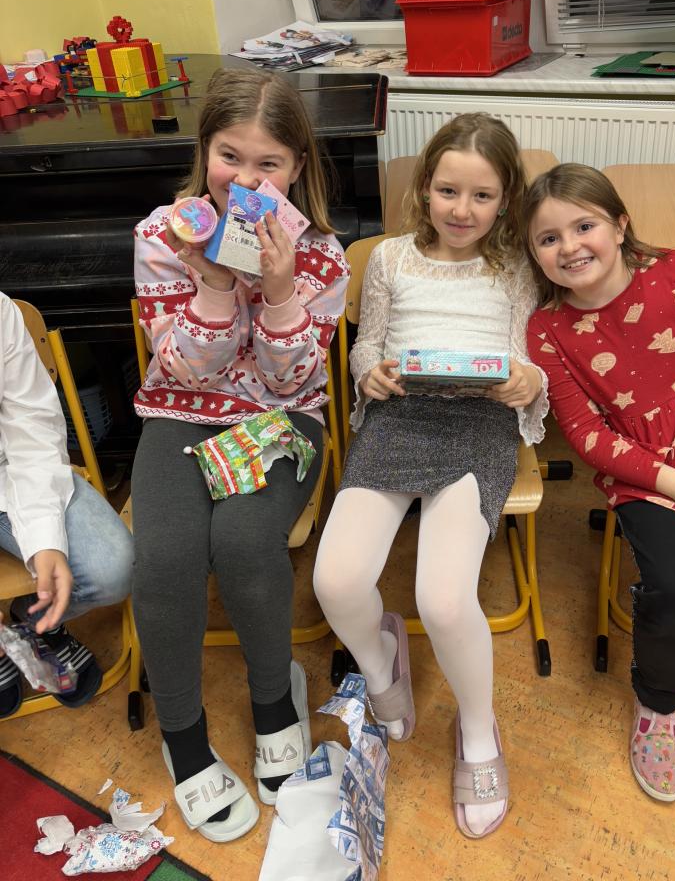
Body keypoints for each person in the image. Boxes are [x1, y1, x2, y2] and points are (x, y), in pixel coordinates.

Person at [313, 113, 549, 839]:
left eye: (482, 196)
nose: (462, 209)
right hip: (400, 420)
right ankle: (381, 661)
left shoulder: (516, 267)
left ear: (506, 200)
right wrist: (371, 373)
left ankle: (478, 729)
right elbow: (367, 348)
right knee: (336, 581)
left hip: (478, 426)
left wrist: (527, 381)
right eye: (448, 191)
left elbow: (528, 357)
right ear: (424, 188)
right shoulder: (388, 258)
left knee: (444, 601)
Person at [131, 68, 348, 843]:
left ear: (297, 167)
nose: (247, 180)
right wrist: (217, 286)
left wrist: (281, 288)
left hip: (281, 419)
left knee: (247, 538)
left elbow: (292, 381)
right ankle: (183, 736)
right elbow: (184, 371)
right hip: (182, 414)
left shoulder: (322, 255)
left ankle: (273, 700)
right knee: (164, 554)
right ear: (204, 152)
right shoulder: (163, 235)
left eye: (269, 164)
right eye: (230, 156)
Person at [521, 163, 675, 803]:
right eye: (548, 238)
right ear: (533, 252)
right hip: (651, 472)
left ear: (620, 224)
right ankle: (658, 708)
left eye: (584, 226)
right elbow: (587, 437)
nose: (570, 247)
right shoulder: (547, 331)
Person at [0, 292, 133, 717]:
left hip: (9, 467)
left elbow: (30, 426)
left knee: (113, 568)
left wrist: (45, 540)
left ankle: (32, 620)